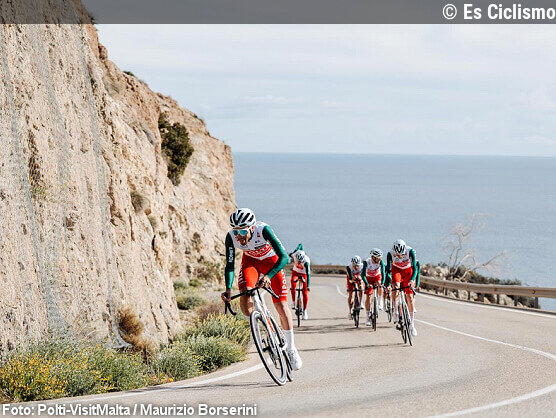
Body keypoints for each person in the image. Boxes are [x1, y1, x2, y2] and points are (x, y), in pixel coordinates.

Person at [221, 208, 302, 370]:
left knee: (281, 306)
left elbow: (284, 257)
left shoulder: (263, 230)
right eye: (236, 231)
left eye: (243, 231)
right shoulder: (231, 237)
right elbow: (229, 265)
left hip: (271, 262)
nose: (239, 236)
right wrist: (228, 289)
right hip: (250, 263)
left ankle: (292, 349)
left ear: (252, 228)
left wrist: (269, 276)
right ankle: (260, 328)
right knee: (245, 296)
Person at [385, 239, 418, 337]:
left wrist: (412, 280)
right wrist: (388, 284)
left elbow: (415, 269)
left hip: (408, 271)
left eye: (402, 255)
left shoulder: (410, 251)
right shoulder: (390, 254)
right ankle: (396, 311)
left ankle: (412, 324)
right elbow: (388, 271)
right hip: (397, 270)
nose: (400, 257)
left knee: (410, 297)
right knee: (396, 286)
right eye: (397, 255)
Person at [362, 248, 385, 326]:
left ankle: (380, 300)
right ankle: (367, 316)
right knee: (368, 297)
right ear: (373, 257)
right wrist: (367, 284)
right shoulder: (366, 262)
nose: (379, 260)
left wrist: (382, 282)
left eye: (380, 258)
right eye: (378, 258)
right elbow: (363, 275)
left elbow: (383, 273)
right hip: (368, 278)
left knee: (380, 284)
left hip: (377, 276)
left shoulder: (380, 262)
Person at [290, 250, 311, 320]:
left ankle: (305, 311)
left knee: (305, 292)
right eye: (298, 261)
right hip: (295, 272)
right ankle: (293, 302)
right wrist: (296, 250)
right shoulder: (294, 255)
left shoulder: (306, 262)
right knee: (293, 283)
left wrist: (308, 286)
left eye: (300, 261)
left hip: (304, 274)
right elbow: (300, 245)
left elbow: (308, 274)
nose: (299, 263)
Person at [346, 255, 367, 319]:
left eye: (357, 265)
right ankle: (350, 311)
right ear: (352, 264)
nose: (355, 267)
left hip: (359, 276)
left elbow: (363, 276)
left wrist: (360, 279)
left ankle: (360, 302)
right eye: (354, 265)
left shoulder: (362, 266)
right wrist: (353, 279)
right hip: (351, 277)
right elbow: (350, 278)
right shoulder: (349, 267)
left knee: (361, 287)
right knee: (351, 294)